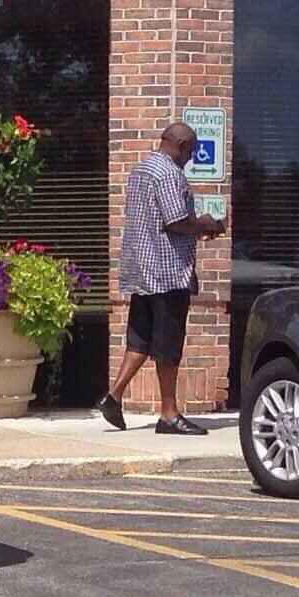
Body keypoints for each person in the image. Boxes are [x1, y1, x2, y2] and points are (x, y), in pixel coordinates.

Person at [104, 120, 226, 434]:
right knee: (169, 346)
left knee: (140, 340)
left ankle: (113, 396)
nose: (190, 158)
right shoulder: (170, 174)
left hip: (142, 269)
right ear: (183, 146)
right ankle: (169, 414)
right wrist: (207, 224)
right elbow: (176, 222)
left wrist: (194, 230)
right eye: (192, 151)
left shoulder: (141, 170)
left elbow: (156, 222)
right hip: (168, 272)